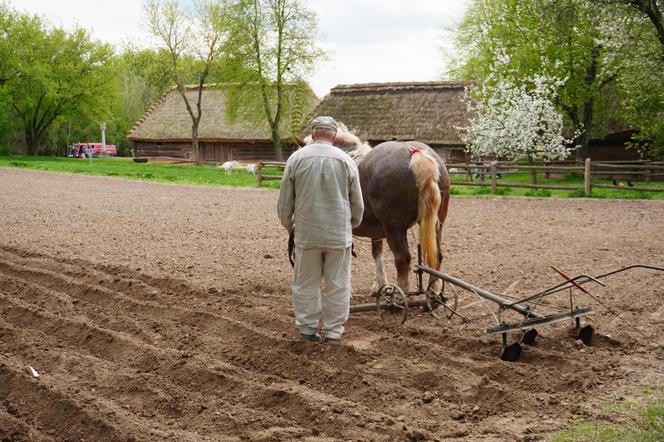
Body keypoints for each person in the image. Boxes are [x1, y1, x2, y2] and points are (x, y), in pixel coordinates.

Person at [277, 116, 364, 343]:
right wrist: (350, 226)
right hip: (338, 237)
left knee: (306, 284)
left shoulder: (296, 159)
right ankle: (334, 331)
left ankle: (307, 329)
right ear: (334, 136)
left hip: (306, 235)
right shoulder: (346, 161)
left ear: (313, 135)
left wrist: (289, 225)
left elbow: (285, 202)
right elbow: (358, 204)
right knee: (338, 284)